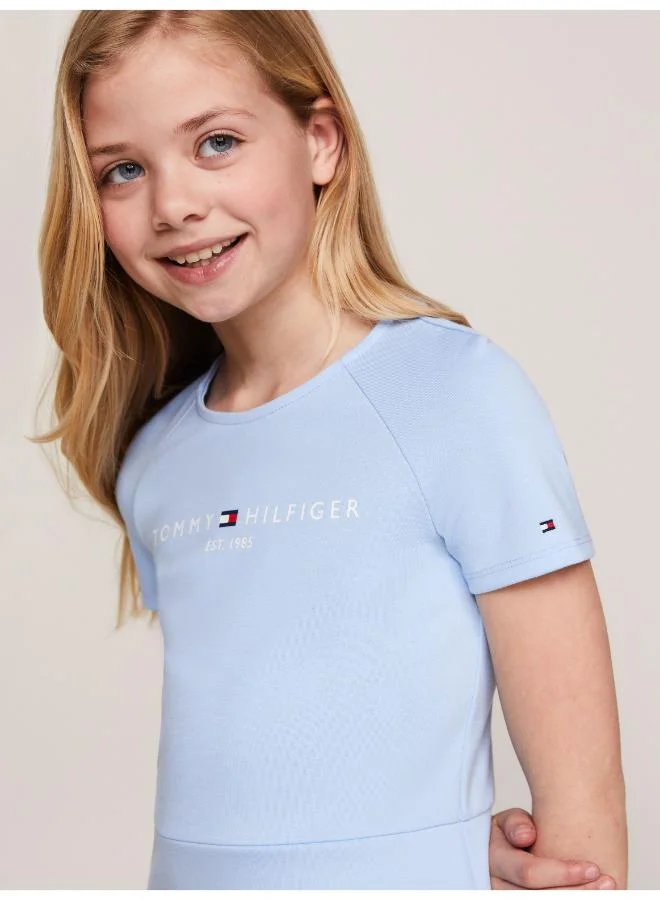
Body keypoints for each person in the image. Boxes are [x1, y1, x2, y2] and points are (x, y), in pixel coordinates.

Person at [33, 10, 626, 890]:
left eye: (217, 143)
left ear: (320, 142)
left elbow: (585, 842)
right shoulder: (156, 458)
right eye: (123, 169)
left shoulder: (455, 395)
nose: (174, 205)